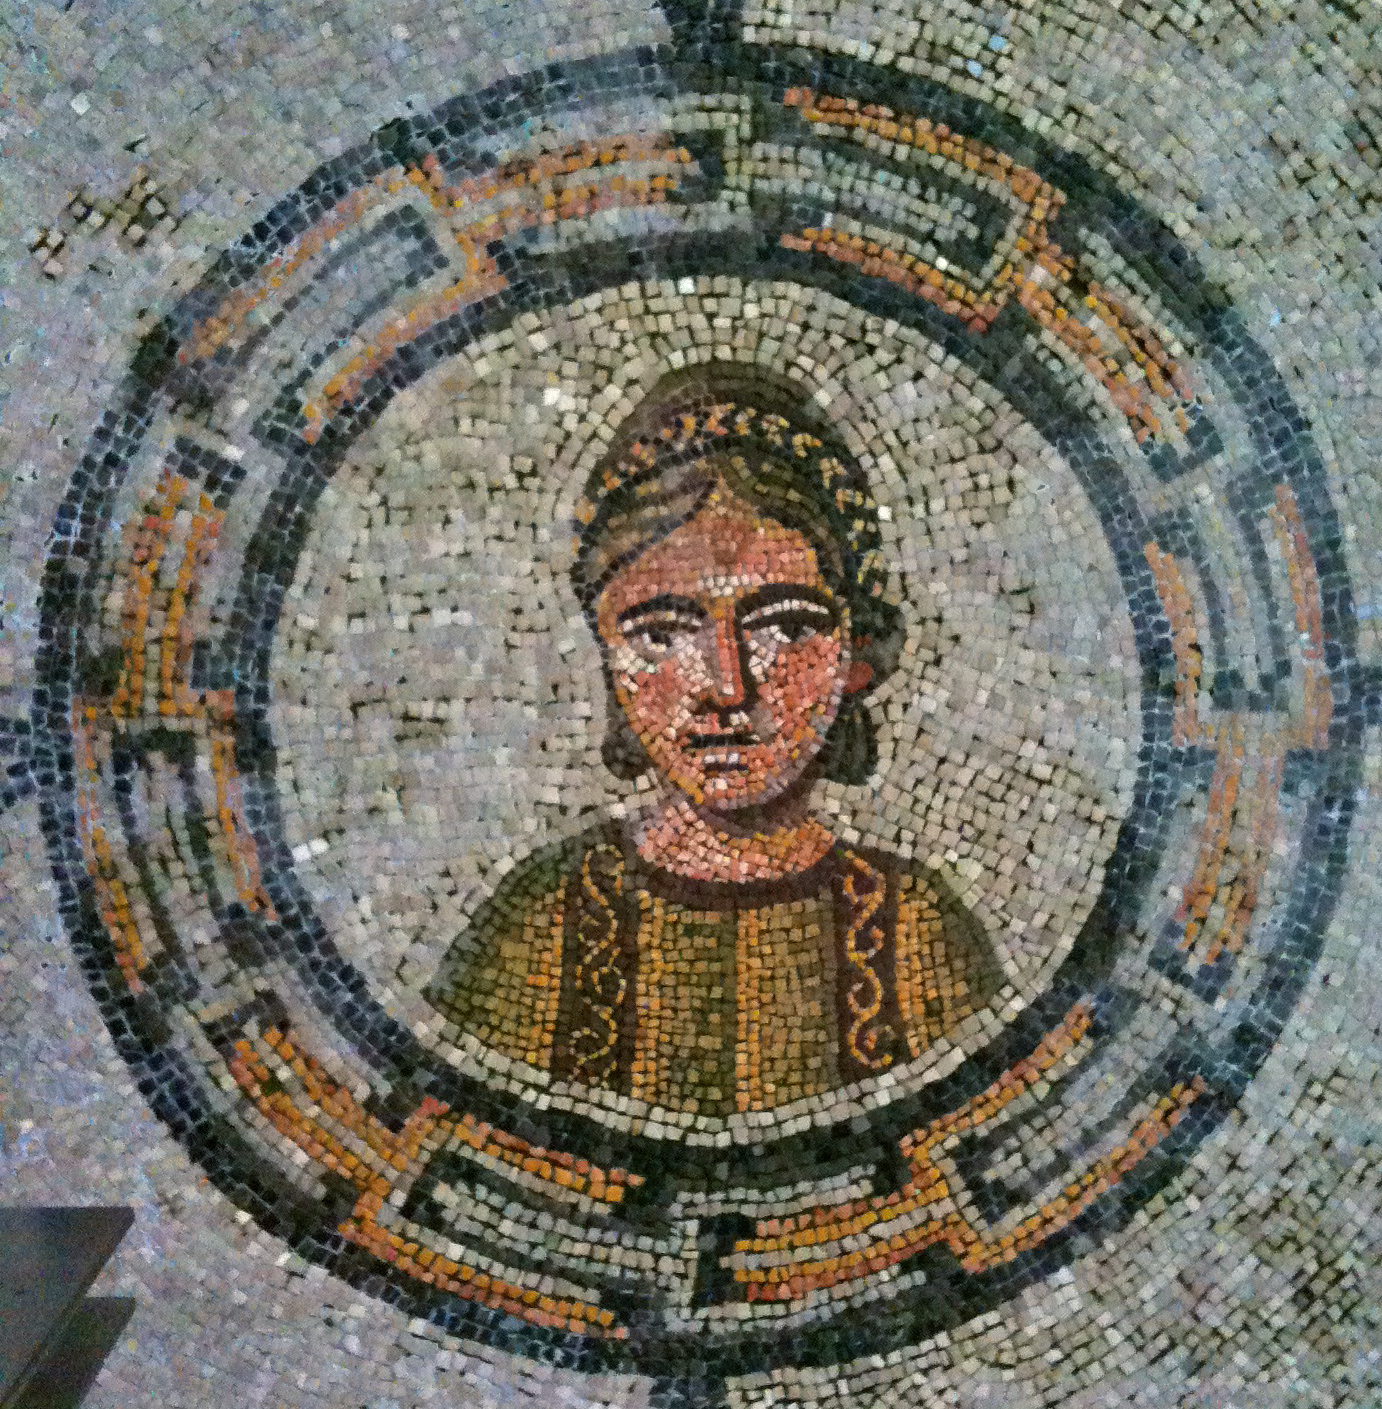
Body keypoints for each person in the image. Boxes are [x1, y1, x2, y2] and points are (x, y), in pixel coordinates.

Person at [426, 367, 1003, 1116]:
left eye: (787, 624)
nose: (726, 686)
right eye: (661, 633)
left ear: (857, 654)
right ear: (608, 655)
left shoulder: (919, 931)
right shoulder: (541, 922)